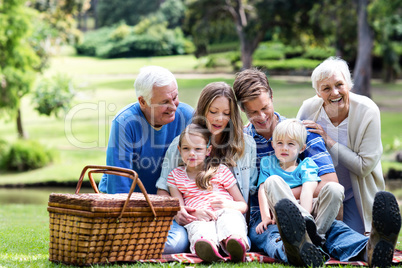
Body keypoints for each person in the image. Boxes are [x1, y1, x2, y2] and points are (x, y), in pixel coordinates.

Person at [233, 68, 401, 268]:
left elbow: (330, 182)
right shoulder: (242, 143)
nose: (261, 116)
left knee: (336, 230)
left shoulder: (302, 132)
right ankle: (298, 250)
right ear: (243, 110)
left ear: (272, 96)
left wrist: (284, 196)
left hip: (311, 213)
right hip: (265, 220)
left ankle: (371, 249)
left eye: (265, 107)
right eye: (253, 112)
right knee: (275, 238)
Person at [98, 65, 194, 253]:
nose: (174, 106)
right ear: (143, 102)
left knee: (183, 239)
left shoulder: (187, 116)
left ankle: (128, 246)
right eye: (165, 102)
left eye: (175, 97)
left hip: (169, 208)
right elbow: (119, 188)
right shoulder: (125, 123)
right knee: (175, 242)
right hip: (130, 208)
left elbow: (198, 170)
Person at [156, 81, 258, 251]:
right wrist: (178, 210)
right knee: (173, 245)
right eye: (213, 112)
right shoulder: (180, 144)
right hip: (193, 220)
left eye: (226, 113)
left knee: (236, 231)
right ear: (203, 111)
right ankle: (205, 245)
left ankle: (231, 242)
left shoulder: (246, 145)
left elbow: (250, 194)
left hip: (231, 218)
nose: (219, 118)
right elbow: (163, 188)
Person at [297, 56, 384, 234]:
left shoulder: (368, 111)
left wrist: (328, 139)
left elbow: (364, 166)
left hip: (355, 193)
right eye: (326, 88)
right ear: (318, 93)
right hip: (321, 191)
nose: (335, 93)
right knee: (325, 236)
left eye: (339, 85)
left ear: (349, 84)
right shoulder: (308, 109)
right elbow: (292, 140)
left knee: (352, 237)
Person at [167, 123, 249, 262]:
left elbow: (243, 205)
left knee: (231, 220)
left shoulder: (220, 170)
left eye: (198, 149)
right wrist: (194, 214)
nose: (192, 153)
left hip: (225, 211)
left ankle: (234, 242)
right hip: (199, 217)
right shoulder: (175, 176)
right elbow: (180, 209)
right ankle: (207, 247)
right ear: (179, 150)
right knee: (200, 228)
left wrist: (228, 205)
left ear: (208, 150)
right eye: (186, 149)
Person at [257, 119, 328, 248]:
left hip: (306, 211)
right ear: (273, 145)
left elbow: (307, 191)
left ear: (302, 148)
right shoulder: (267, 163)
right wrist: (266, 217)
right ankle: (305, 234)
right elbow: (262, 190)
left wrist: (305, 217)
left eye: (290, 144)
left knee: (335, 189)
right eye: (279, 143)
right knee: (272, 181)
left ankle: (315, 236)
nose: (284, 148)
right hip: (282, 211)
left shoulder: (307, 165)